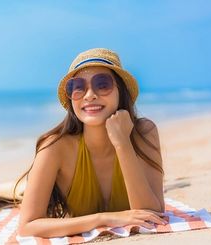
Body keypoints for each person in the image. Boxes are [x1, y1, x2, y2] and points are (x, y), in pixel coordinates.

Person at [14, 48, 167, 238]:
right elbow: (27, 226)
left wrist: (122, 143)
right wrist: (104, 219)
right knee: (16, 196)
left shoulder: (144, 132)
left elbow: (153, 215)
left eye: (102, 85)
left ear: (122, 91)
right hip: (40, 187)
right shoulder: (55, 146)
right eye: (78, 87)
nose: (89, 95)